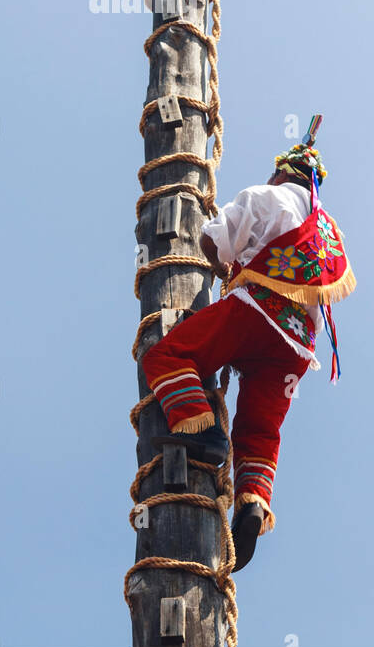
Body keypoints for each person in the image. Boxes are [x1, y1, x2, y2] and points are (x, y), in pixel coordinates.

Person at [141, 120, 355, 570]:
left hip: (254, 316)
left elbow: (210, 240)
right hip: (296, 349)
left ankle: (201, 431)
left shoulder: (265, 195)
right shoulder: (329, 232)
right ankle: (253, 501)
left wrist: (225, 272)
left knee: (166, 355)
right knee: (260, 431)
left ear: (281, 174)